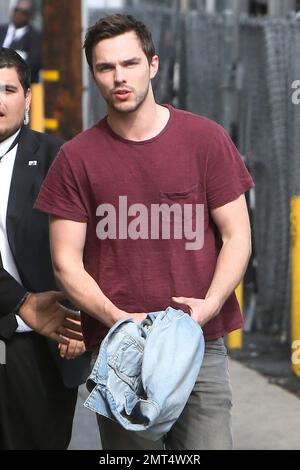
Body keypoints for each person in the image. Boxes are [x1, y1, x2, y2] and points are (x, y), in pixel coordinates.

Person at [35, 14, 254, 450]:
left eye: (129, 63)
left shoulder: (205, 140)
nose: (119, 77)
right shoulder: (76, 159)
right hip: (119, 352)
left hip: (197, 343)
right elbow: (66, 263)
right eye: (105, 67)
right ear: (93, 74)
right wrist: (120, 321)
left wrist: (208, 307)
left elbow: (237, 237)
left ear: (152, 65)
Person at [0, 47, 85, 450]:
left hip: (36, 346)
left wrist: (82, 316)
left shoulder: (59, 158)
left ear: (28, 98)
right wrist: (19, 300)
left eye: (8, 89)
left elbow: (91, 250)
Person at [0, 1, 42, 83]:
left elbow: (31, 65)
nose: (18, 14)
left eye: (24, 12)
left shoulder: (35, 37)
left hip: (18, 83)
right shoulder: (1, 30)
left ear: (31, 16)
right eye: (16, 10)